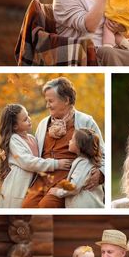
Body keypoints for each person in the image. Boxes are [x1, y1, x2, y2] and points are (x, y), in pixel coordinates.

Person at [22, 77, 105, 208]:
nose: (47, 105)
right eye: (46, 101)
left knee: (46, 207)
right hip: (41, 180)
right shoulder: (44, 124)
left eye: (51, 101)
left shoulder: (86, 121)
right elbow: (34, 154)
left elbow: (102, 152)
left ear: (66, 100)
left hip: (67, 180)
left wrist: (101, 173)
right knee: (25, 207)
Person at [0, 104, 70, 208]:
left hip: (32, 187)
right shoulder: (13, 140)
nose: (29, 120)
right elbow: (29, 162)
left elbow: (43, 154)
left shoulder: (32, 138)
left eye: (28, 116)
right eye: (25, 119)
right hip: (17, 188)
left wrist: (55, 130)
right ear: (15, 126)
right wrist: (56, 164)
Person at [48, 128, 104, 207]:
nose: (69, 141)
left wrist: (58, 192)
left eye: (72, 140)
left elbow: (74, 187)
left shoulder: (83, 163)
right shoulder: (87, 161)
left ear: (79, 145)